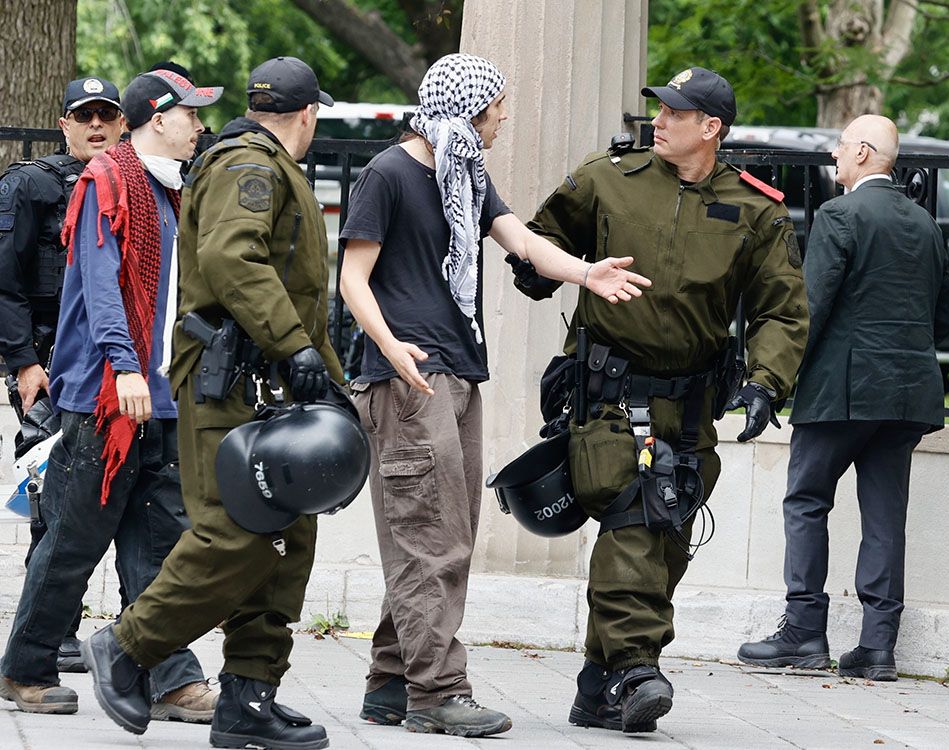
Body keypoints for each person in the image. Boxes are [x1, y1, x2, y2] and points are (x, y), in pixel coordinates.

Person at [339, 53, 650, 738]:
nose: (505, 117)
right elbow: (352, 278)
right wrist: (391, 348)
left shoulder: (463, 173)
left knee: (439, 532)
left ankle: (392, 682)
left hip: (456, 372)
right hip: (408, 377)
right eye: (498, 106)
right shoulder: (389, 174)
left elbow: (525, 244)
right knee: (432, 538)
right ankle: (438, 693)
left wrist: (586, 272)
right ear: (470, 107)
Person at [524, 67, 808, 732]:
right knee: (633, 518)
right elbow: (541, 239)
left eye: (676, 113)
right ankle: (634, 671)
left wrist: (767, 383)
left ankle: (598, 682)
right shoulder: (606, 178)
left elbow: (782, 312)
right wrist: (537, 269)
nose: (659, 120)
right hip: (609, 393)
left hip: (691, 407)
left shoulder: (755, 210)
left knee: (667, 538)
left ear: (711, 128)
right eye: (660, 109)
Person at [82, 57, 341, 749]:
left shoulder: (261, 164)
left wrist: (325, 378)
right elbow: (233, 259)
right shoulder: (247, 166)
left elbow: (302, 301)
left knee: (286, 540)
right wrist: (294, 347)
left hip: (268, 383)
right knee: (236, 533)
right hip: (233, 381)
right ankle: (127, 646)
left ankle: (248, 701)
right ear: (308, 114)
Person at [0, 68, 222, 722]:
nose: (199, 127)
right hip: (104, 398)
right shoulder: (108, 183)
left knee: (159, 545)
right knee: (72, 540)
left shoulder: (167, 189)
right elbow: (99, 282)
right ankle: (25, 669)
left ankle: (168, 677)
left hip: (156, 399)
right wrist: (125, 367)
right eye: (191, 115)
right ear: (159, 117)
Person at [737, 115, 949, 681]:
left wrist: (770, 381)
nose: (833, 155)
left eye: (839, 146)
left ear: (862, 152)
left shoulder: (840, 215)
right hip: (907, 396)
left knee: (807, 501)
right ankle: (878, 647)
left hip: (841, 391)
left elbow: (810, 309)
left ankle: (805, 633)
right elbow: (944, 320)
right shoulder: (927, 225)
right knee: (885, 517)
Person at [0, 76, 124, 674]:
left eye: (107, 115)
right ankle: (55, 633)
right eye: (85, 116)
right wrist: (22, 362)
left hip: (113, 367)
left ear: (123, 123)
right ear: (64, 124)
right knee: (52, 501)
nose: (96, 126)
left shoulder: (135, 182)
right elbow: (5, 281)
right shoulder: (29, 184)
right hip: (48, 366)